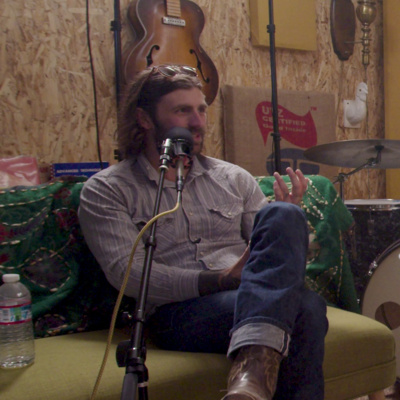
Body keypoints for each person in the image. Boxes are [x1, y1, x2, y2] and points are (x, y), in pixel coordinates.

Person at [78, 64, 328, 400]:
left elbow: (277, 260)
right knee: (306, 308)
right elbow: (128, 273)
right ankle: (253, 373)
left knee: (283, 215)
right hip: (179, 313)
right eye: (182, 111)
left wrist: (288, 224)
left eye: (201, 110)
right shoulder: (108, 189)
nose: (197, 122)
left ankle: (252, 379)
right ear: (144, 119)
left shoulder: (233, 178)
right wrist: (220, 279)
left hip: (251, 293)